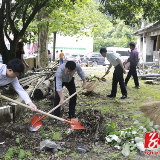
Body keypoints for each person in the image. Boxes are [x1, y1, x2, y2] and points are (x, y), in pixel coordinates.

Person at [0, 58, 37, 144]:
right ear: (10, 70)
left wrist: (30, 103)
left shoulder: (12, 77)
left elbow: (20, 90)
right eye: (16, 74)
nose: (17, 77)